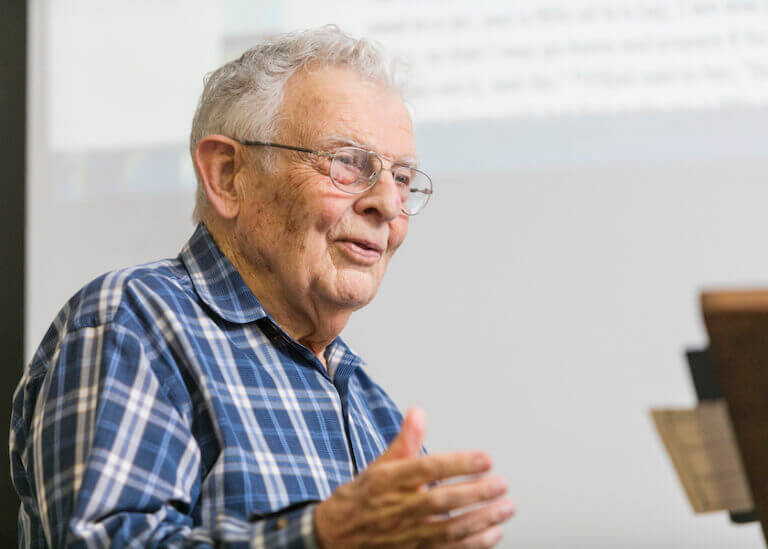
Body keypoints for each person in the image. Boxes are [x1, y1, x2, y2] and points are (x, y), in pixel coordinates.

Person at [10, 26, 514, 548]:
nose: (387, 204)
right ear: (228, 176)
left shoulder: (375, 408)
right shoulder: (135, 324)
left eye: (403, 178)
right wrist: (319, 538)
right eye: (348, 163)